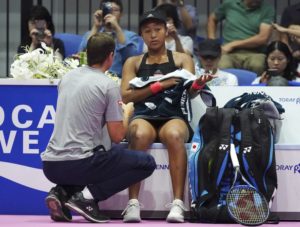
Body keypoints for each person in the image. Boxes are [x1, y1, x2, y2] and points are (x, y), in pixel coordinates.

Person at [41, 33, 156, 223]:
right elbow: (118, 136)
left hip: (51, 165)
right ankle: (87, 198)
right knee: (146, 163)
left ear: (87, 53)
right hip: (81, 164)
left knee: (100, 153)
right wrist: (126, 112)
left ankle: (61, 192)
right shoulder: (107, 85)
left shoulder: (67, 78)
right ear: (111, 56)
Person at [120, 9, 213, 223]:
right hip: (144, 115)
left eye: (157, 30)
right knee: (139, 133)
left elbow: (190, 91)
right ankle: (132, 204)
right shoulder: (133, 62)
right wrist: (159, 86)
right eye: (147, 31)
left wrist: (198, 84)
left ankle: (178, 204)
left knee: (173, 134)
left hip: (174, 116)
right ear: (141, 35)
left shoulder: (182, 58)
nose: (153, 35)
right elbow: (126, 96)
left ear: (166, 32)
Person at [207, 0, 275, 75]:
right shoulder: (229, 4)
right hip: (229, 53)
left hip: (256, 53)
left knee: (257, 65)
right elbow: (212, 18)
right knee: (223, 65)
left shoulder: (267, 9)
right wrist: (212, 41)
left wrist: (233, 44)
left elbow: (263, 38)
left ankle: (256, 86)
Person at [78, 0, 142, 78]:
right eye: (107, 9)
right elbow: (81, 55)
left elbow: (133, 59)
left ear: (121, 14)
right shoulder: (91, 33)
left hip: (117, 79)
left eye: (115, 10)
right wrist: (96, 26)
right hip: (91, 78)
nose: (111, 13)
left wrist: (117, 29)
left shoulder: (130, 36)